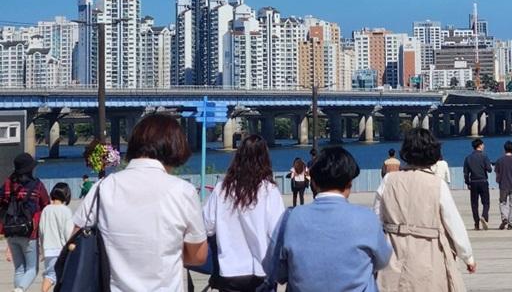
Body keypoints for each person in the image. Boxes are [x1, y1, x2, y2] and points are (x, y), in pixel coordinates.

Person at [71, 114, 208, 292]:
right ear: (176, 147)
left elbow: (74, 241)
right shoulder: (183, 191)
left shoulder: (102, 188)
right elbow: (198, 256)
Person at [266, 146, 391, 292]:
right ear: (349, 183)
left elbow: (276, 269)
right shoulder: (366, 218)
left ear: (314, 183)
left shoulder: (291, 218)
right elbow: (383, 260)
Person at [374, 128, 475, 291]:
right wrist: (467, 256)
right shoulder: (437, 184)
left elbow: (376, 218)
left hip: (392, 252)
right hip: (429, 252)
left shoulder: (388, 180)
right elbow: (453, 223)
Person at [203, 134, 286, 292]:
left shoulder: (222, 189)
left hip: (229, 269)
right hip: (262, 269)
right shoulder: (269, 190)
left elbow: (207, 226)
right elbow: (277, 231)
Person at [0, 152, 51, 292]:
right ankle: (20, 289)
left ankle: (19, 289)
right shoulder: (37, 185)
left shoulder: (7, 184)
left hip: (10, 230)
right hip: (29, 232)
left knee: (19, 268)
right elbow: (46, 204)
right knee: (32, 268)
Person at [40, 183, 73, 292]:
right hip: (61, 250)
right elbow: (68, 232)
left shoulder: (46, 210)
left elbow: (41, 230)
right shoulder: (66, 211)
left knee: (50, 274)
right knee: (60, 276)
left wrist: (42, 249)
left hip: (48, 249)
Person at [462, 139, 492, 231]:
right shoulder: (484, 156)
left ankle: (476, 224)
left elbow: (466, 173)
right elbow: (489, 169)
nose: (484, 146)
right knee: (486, 202)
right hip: (483, 181)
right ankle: (484, 217)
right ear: (479, 145)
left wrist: (467, 183)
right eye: (483, 145)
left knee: (474, 204)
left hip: (473, 182)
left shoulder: (468, 158)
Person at [494, 141, 512, 231]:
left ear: (504, 149)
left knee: (502, 202)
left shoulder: (499, 160)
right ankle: (511, 223)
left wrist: (498, 180)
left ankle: (504, 218)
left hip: (503, 185)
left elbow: (497, 172)